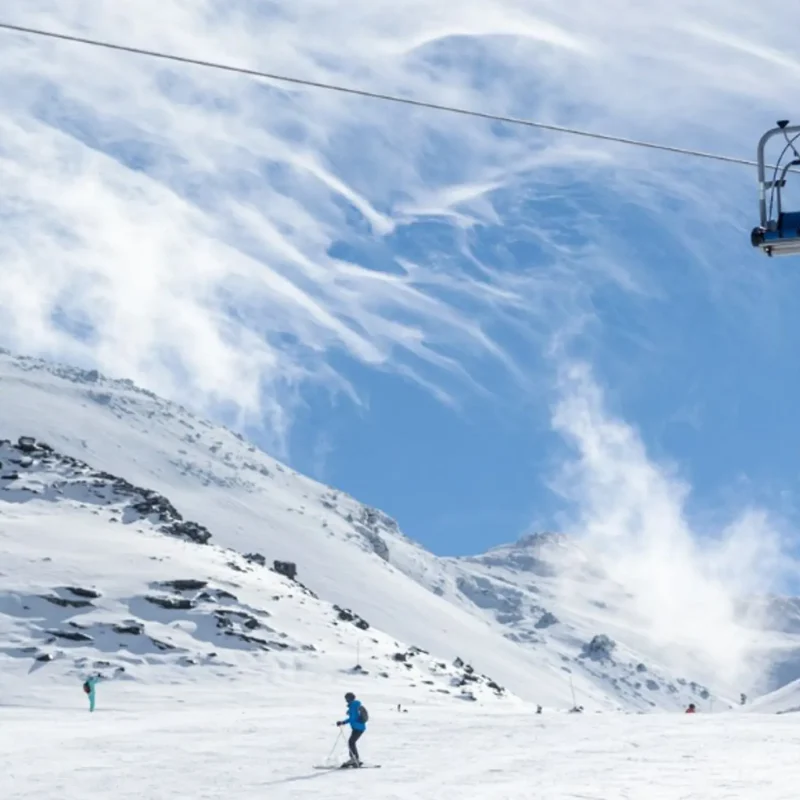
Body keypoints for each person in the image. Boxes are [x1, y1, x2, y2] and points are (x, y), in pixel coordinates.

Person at [336, 692, 367, 767]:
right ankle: (355, 759)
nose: (346, 700)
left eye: (346, 698)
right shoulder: (354, 705)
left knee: (351, 742)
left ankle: (354, 759)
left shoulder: (353, 706)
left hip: (358, 728)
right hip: (359, 727)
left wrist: (343, 722)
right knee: (351, 742)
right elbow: (354, 717)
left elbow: (352, 719)